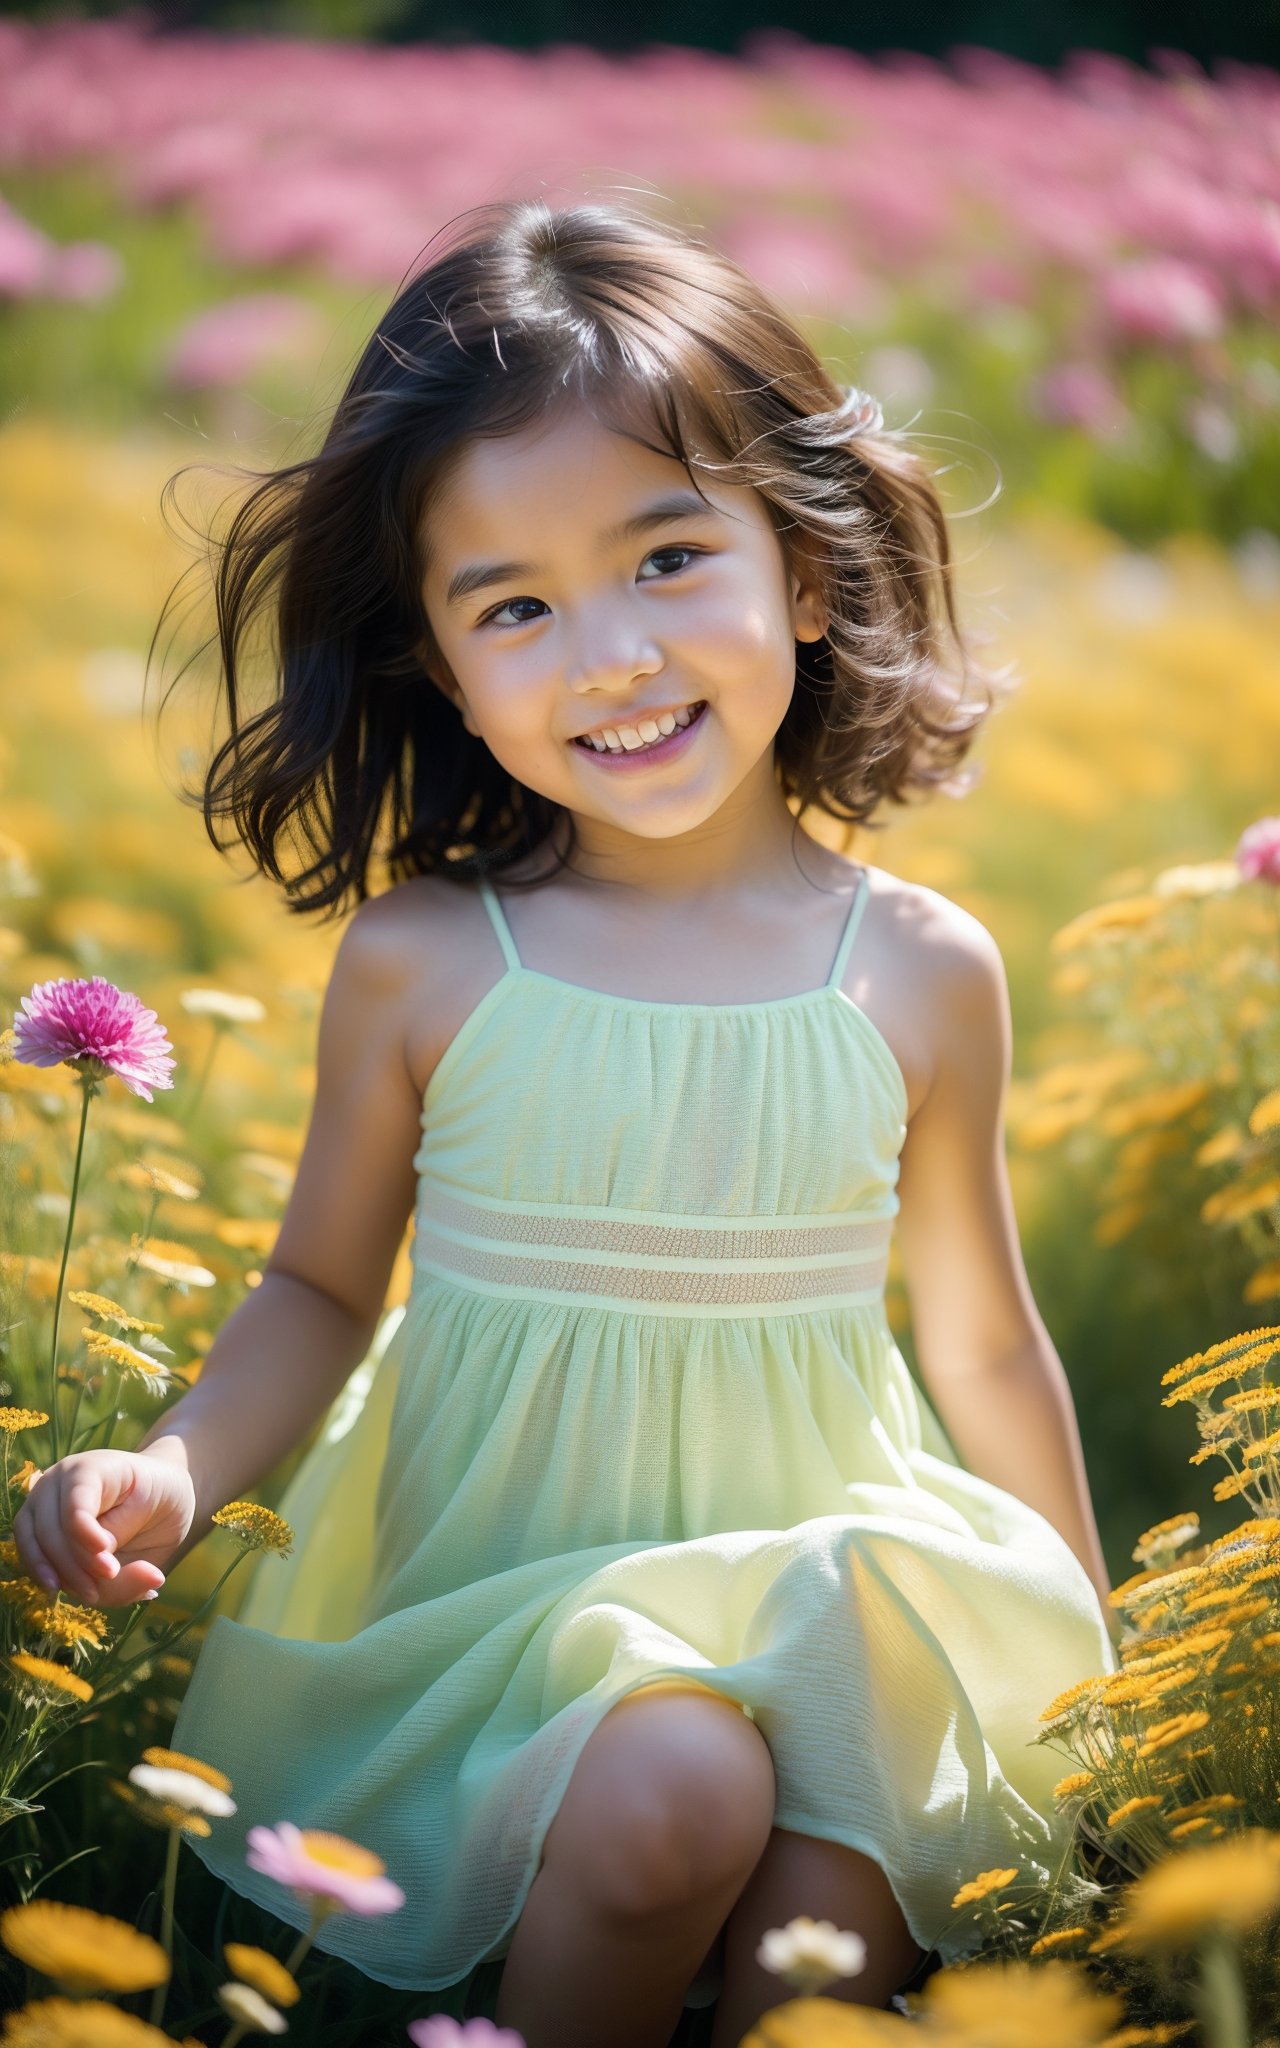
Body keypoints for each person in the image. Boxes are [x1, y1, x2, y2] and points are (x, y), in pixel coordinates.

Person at [15, 196, 1119, 2048]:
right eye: (514, 605)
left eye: (669, 558)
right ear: (443, 671)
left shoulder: (919, 970)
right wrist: (184, 1471)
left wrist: (1082, 1654)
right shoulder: (438, 960)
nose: (606, 653)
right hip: (506, 1613)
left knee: (811, 1955)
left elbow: (985, 1333)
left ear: (812, 568)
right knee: (670, 1793)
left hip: (834, 1595)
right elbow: (315, 1285)